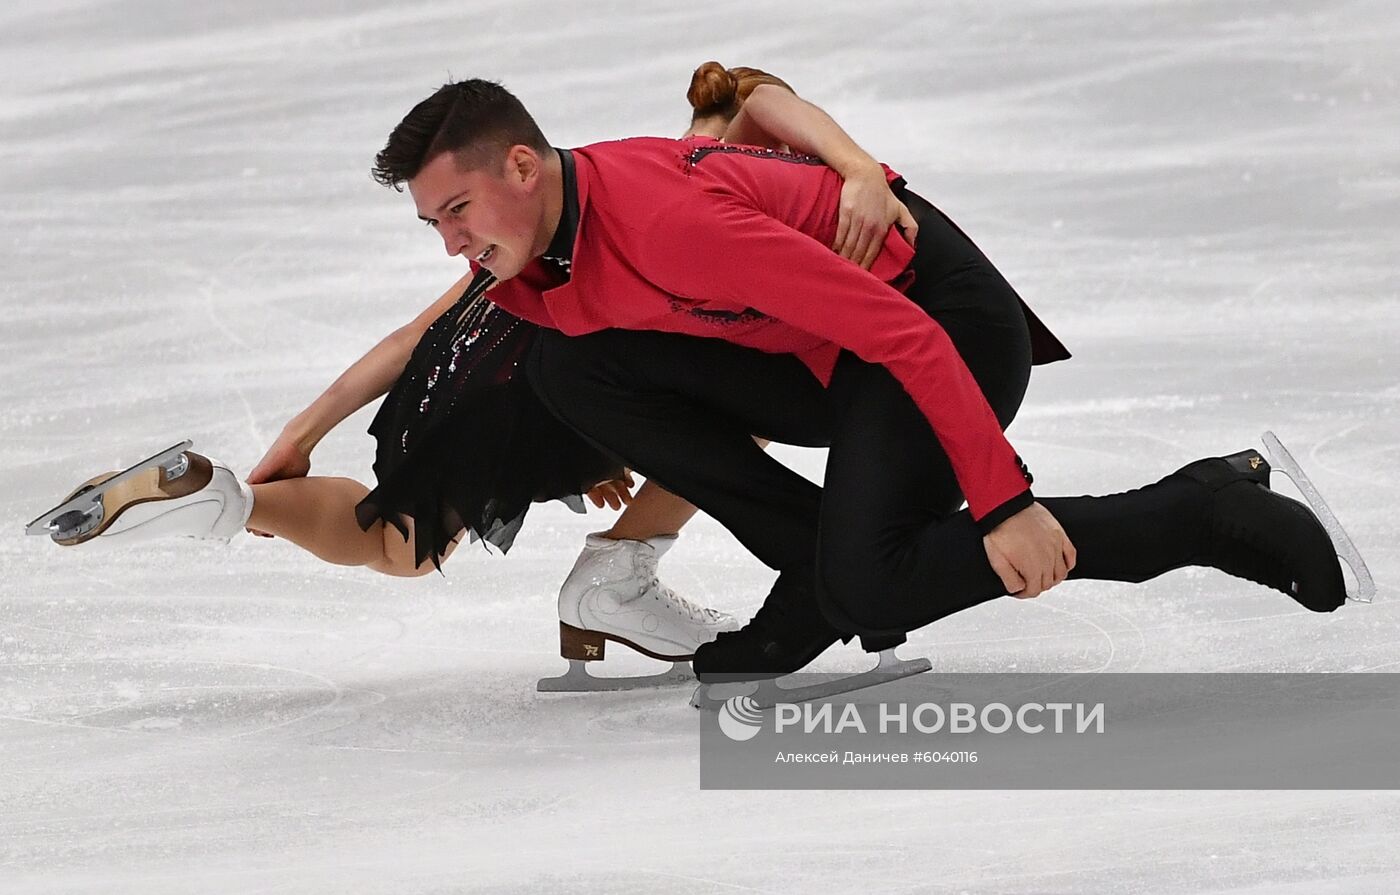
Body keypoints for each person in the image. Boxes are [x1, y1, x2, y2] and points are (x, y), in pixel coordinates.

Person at [368, 77, 1347, 682]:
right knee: (570, 368)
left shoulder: (667, 225)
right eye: (433, 225)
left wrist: (1002, 500)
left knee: (877, 580)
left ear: (525, 168)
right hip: (821, 356)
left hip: (938, 328)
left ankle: (1194, 507)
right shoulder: (546, 249)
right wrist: (301, 437)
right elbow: (440, 336)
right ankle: (818, 573)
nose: (451, 241)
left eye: (459, 210)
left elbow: (901, 331)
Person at [41, 65, 977, 676]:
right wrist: (855, 166)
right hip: (536, 386)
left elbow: (418, 333)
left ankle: (235, 498)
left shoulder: (590, 210)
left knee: (727, 387)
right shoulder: (649, 220)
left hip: (477, 372)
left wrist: (302, 429)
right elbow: (767, 104)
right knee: (396, 546)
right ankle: (615, 574)